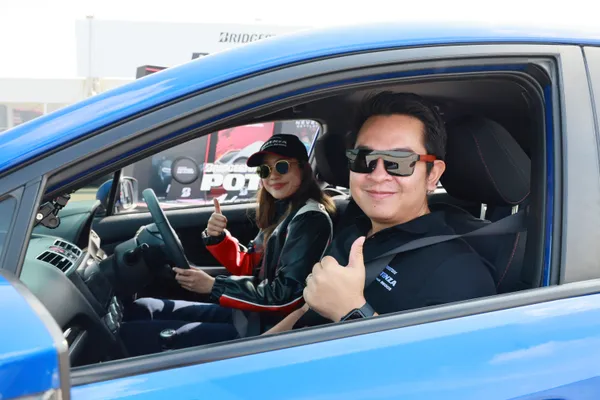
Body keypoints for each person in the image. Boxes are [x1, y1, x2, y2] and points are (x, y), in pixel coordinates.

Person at [265, 92, 497, 334]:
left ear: (432, 175)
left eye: (399, 161)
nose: (377, 175)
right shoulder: (353, 230)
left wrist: (352, 312)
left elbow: (440, 359)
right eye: (364, 159)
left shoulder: (460, 273)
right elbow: (306, 310)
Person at [121, 134, 336, 355]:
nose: (273, 176)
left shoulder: (310, 220)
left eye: (282, 166)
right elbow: (251, 266)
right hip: (252, 315)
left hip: (269, 330)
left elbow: (286, 296)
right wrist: (219, 238)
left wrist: (214, 286)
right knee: (145, 307)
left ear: (303, 169)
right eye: (265, 170)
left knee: (131, 335)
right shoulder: (282, 211)